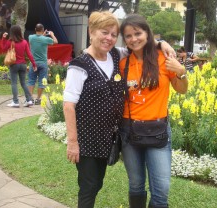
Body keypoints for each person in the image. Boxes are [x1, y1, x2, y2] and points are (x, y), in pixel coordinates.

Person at [63, 11, 176, 208]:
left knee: (97, 184)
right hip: (88, 138)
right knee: (90, 186)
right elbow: (68, 105)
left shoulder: (116, 55)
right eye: (104, 33)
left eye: (114, 35)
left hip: (111, 137)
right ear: (91, 32)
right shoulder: (79, 65)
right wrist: (72, 142)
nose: (109, 38)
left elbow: (139, 44)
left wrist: (162, 42)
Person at [119, 14, 188, 208]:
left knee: (161, 190)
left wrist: (181, 72)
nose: (134, 39)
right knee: (136, 185)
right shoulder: (123, 63)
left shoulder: (164, 59)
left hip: (157, 130)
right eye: (128, 36)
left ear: (147, 33)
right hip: (129, 131)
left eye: (138, 33)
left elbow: (182, 90)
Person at [1, 25, 37, 107]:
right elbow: (29, 54)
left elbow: (3, 48)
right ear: (20, 32)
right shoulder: (24, 42)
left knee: (14, 83)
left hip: (14, 65)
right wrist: (34, 64)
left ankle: (15, 102)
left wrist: (3, 38)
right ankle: (29, 100)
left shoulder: (10, 41)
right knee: (23, 83)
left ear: (12, 32)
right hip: (23, 65)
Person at [27, 23, 58, 105]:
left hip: (33, 63)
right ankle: (38, 99)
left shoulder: (30, 37)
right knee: (42, 81)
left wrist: (42, 35)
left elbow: (38, 39)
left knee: (31, 80)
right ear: (43, 30)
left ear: (35, 29)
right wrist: (52, 34)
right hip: (43, 63)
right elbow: (56, 42)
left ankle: (30, 99)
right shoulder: (45, 39)